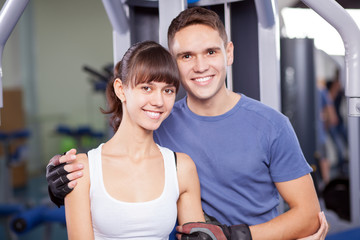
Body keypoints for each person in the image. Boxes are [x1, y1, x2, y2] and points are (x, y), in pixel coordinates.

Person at [47, 7, 328, 240]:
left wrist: (236, 236)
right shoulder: (158, 121)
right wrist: (62, 181)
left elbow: (308, 215)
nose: (200, 66)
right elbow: (115, 164)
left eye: (210, 52)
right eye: (186, 56)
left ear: (228, 53)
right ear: (174, 64)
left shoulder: (272, 125)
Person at [63, 40, 206, 239]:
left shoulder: (181, 167)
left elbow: (197, 235)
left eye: (168, 91)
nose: (158, 102)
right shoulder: (82, 169)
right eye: (147, 88)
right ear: (121, 89)